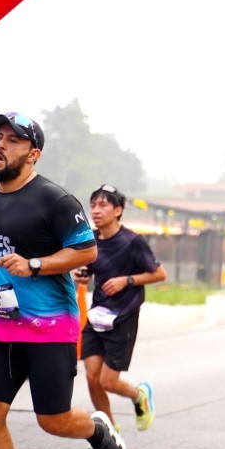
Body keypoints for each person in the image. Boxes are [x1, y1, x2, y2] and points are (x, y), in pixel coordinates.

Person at [0, 112, 125, 449]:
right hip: (1, 325)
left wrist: (34, 265)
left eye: (13, 140)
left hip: (50, 326)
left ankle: (98, 430)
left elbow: (86, 250)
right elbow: (8, 244)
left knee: (53, 420)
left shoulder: (55, 200)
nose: (1, 145)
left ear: (33, 154)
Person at [73, 184, 167, 435]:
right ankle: (110, 431)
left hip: (123, 316)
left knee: (108, 381)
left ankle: (139, 395)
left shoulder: (133, 241)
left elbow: (159, 274)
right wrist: (82, 276)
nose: (96, 210)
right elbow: (87, 270)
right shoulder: (91, 240)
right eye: (93, 205)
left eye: (103, 205)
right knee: (91, 377)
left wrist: (127, 280)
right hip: (97, 316)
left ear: (118, 210)